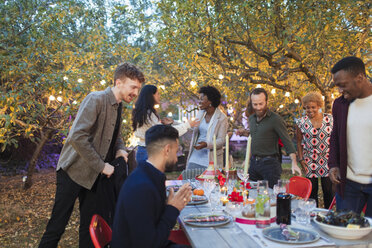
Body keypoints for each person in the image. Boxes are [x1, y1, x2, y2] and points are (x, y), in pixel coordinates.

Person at [39, 63, 145, 248]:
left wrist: (120, 149)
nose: (136, 93)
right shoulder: (95, 99)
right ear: (118, 82)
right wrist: (102, 166)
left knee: (89, 229)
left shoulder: (119, 106)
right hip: (73, 171)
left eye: (138, 88)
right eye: (133, 87)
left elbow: (115, 136)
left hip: (95, 177)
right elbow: (77, 137)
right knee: (57, 226)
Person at [111, 125, 192, 248]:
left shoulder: (149, 175)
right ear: (167, 150)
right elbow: (150, 244)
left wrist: (168, 207)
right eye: (176, 152)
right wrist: (173, 209)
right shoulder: (142, 187)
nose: (176, 159)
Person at [329, 56, 372, 217]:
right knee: (344, 231)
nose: (340, 90)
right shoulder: (340, 105)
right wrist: (333, 164)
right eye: (337, 86)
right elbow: (335, 136)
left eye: (343, 85)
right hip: (348, 184)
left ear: (359, 78)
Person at [248, 88, 302, 188]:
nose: (258, 107)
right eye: (255, 104)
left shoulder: (275, 119)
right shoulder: (251, 119)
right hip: (253, 164)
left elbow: (287, 142)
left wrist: (294, 162)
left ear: (267, 102)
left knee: (271, 196)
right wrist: (247, 160)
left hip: (270, 165)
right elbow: (254, 138)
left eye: (261, 104)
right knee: (251, 194)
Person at [132, 85, 199, 163]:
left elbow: (159, 131)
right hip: (148, 151)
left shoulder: (144, 113)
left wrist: (171, 123)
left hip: (145, 150)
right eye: (158, 94)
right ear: (152, 95)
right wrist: (187, 125)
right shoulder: (148, 115)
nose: (159, 96)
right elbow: (163, 133)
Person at [296, 92, 334, 208]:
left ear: (319, 106)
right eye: (307, 107)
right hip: (309, 160)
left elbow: (336, 138)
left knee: (328, 191)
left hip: (327, 159)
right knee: (312, 192)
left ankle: (328, 215)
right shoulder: (301, 122)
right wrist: (301, 159)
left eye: (313, 107)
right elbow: (298, 142)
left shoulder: (330, 119)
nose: (310, 110)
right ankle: (313, 215)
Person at [186, 86, 228, 169]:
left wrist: (206, 144)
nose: (199, 101)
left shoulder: (222, 118)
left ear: (210, 102)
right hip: (195, 156)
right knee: (189, 179)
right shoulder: (201, 113)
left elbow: (221, 140)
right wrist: (174, 123)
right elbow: (192, 127)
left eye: (202, 99)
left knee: (209, 181)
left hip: (211, 158)